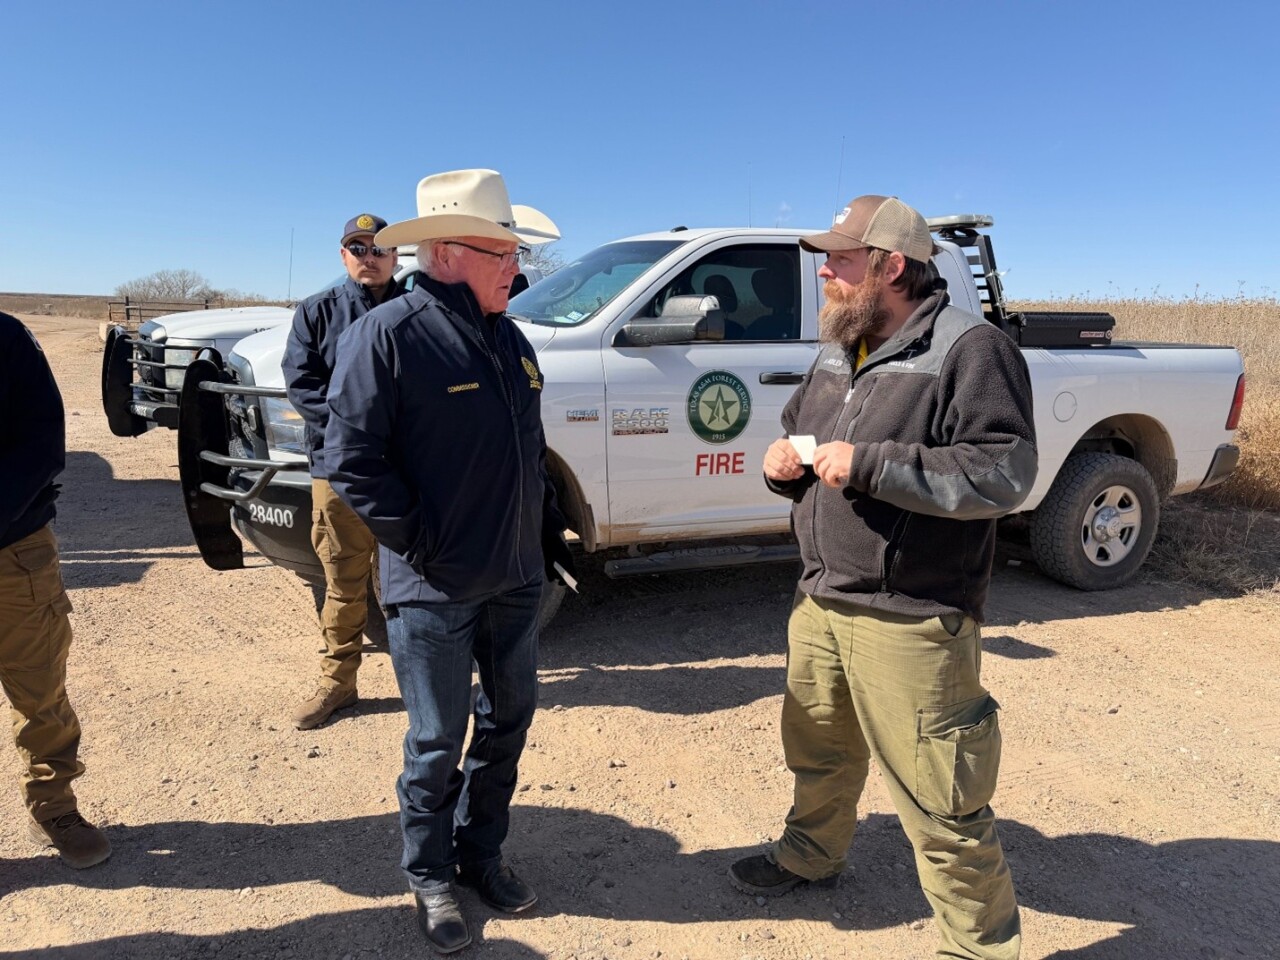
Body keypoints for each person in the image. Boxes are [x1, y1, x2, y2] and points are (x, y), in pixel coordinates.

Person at [730, 195, 1037, 960]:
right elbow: (802, 436)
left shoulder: (971, 350)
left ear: (891, 266)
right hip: (822, 598)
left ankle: (979, 949)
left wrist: (870, 465)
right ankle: (811, 854)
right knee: (820, 752)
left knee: (941, 801)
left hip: (912, 615)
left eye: (839, 259)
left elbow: (1003, 472)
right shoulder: (842, 347)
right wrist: (781, 465)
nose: (823, 272)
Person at [325, 169, 571, 954]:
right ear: (448, 253)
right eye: (505, 252)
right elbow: (351, 460)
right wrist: (423, 541)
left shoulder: (511, 338)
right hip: (433, 585)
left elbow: (527, 449)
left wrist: (545, 531)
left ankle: (480, 855)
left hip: (515, 576)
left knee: (509, 721)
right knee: (436, 742)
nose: (518, 268)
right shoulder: (388, 336)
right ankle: (429, 874)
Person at [282, 214, 404, 730]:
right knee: (344, 580)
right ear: (343, 255)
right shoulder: (317, 312)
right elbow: (301, 384)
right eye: (358, 248)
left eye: (378, 248)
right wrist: (356, 434)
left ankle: (426, 681)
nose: (368, 257)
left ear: (396, 256)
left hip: (405, 471)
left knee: (416, 583)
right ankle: (338, 683)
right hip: (339, 470)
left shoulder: (417, 310)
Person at [1, 311, 111, 869]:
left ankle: (54, 806)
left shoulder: (7, 339)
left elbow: (42, 444)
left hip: (13, 549)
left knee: (40, 689)